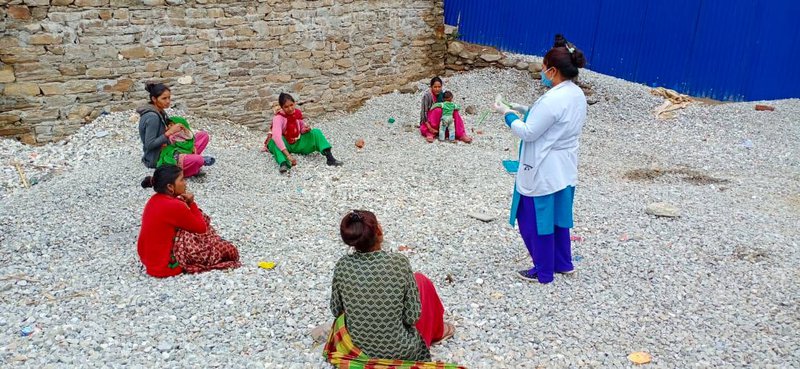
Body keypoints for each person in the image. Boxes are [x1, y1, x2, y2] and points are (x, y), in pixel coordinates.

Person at [492, 34, 587, 284]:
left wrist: (508, 114)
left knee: (535, 219)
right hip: (565, 166)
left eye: (544, 68)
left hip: (543, 166)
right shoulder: (576, 93)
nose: (542, 72)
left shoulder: (552, 99)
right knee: (559, 217)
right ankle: (563, 263)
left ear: (553, 70)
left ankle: (543, 270)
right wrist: (526, 109)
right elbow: (554, 120)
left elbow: (529, 131)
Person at [326, 210, 458, 366]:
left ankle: (437, 330)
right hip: (401, 351)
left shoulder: (342, 266)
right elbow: (412, 317)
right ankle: (438, 331)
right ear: (378, 231)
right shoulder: (398, 263)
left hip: (357, 347)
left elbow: (336, 309)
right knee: (421, 281)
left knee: (417, 282)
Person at [137, 165, 240, 278]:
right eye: (182, 180)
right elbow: (201, 228)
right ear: (170, 187)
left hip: (149, 262)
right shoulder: (175, 205)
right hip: (166, 267)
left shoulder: (153, 200)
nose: (185, 183)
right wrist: (191, 203)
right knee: (231, 251)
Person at [137, 82, 214, 178]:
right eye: (164, 98)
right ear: (154, 99)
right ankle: (189, 166)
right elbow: (149, 145)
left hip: (170, 147)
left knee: (203, 136)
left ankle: (189, 159)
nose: (168, 101)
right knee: (198, 160)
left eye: (169, 98)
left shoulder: (160, 111)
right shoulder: (152, 117)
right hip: (158, 157)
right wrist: (170, 132)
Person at [264, 93, 342, 174]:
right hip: (286, 144)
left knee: (316, 132)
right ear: (282, 107)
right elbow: (277, 136)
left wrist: (305, 129)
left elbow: (301, 129)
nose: (290, 109)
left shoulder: (297, 113)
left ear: (294, 103)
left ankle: (330, 158)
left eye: (291, 105)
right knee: (274, 141)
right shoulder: (278, 118)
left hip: (298, 141)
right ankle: (283, 163)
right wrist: (288, 155)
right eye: (286, 107)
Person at [419, 77, 472, 144]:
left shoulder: (442, 95)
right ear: (431, 87)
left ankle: (460, 134)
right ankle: (430, 133)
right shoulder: (427, 96)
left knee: (454, 111)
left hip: (442, 120)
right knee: (438, 110)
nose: (437, 89)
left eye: (439, 87)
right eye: (435, 87)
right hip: (429, 122)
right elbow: (424, 113)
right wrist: (430, 128)